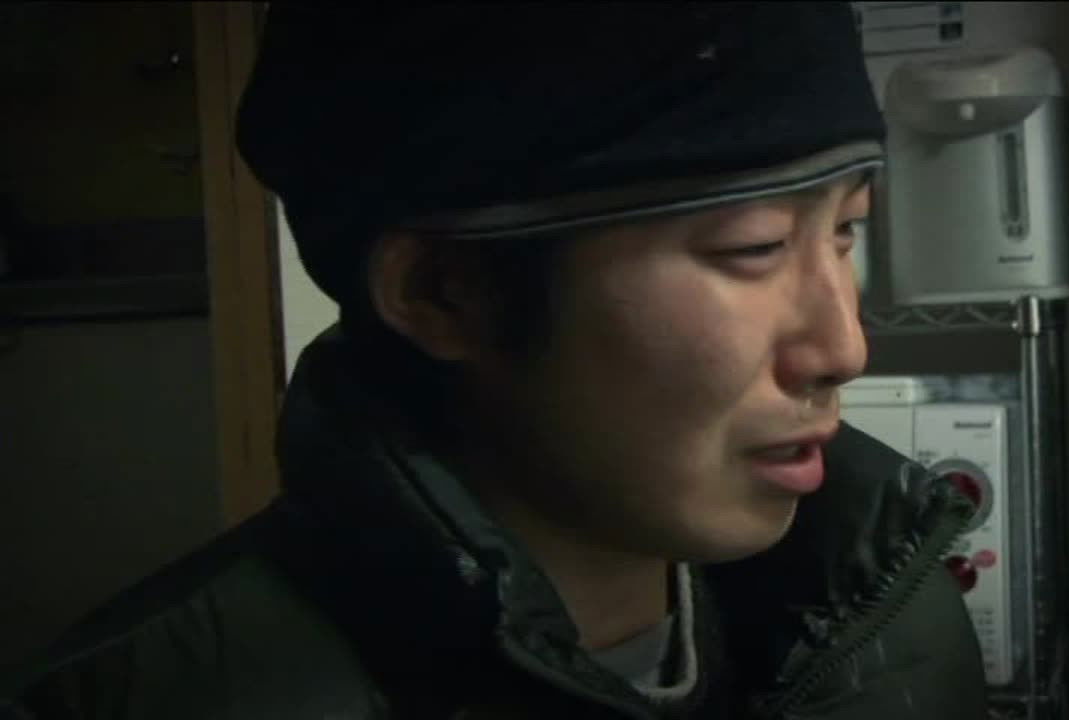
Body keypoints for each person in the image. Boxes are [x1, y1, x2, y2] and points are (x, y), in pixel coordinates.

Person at [1, 4, 987, 718]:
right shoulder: (164, 697)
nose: (843, 346)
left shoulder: (889, 627)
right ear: (444, 293)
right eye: (752, 248)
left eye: (846, 230)